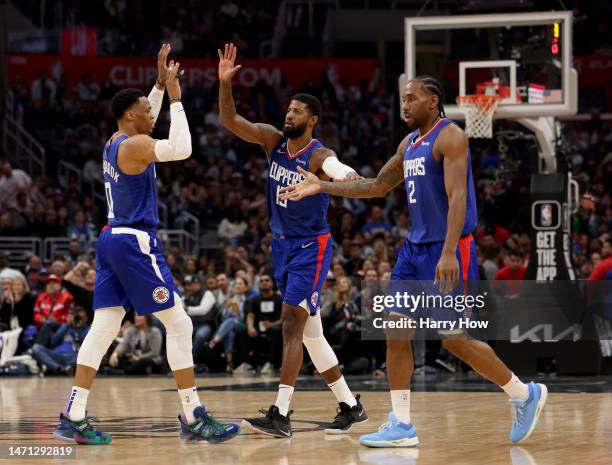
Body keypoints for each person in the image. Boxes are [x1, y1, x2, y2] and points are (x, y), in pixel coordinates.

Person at [281, 75, 547, 446]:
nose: (404, 105)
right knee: (396, 328)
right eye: (402, 99)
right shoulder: (409, 143)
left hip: (448, 248)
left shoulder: (450, 136)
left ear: (433, 101)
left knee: (454, 340)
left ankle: (523, 394)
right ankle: (402, 423)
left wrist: (450, 251)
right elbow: (375, 186)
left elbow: (457, 199)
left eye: (411, 98)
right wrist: (322, 185)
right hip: (413, 251)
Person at [53, 44, 239, 445]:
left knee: (103, 326)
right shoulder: (136, 146)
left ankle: (74, 411)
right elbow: (182, 149)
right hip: (135, 242)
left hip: (110, 238)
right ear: (130, 116)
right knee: (180, 322)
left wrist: (156, 85)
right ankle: (194, 415)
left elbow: (144, 118)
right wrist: (174, 96)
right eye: (146, 110)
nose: (152, 114)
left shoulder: (114, 140)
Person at [218, 43, 367, 437]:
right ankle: (351, 406)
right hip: (281, 246)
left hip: (310, 248)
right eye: (288, 109)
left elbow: (336, 167)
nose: (289, 113)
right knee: (313, 337)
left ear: (313, 119)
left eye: (297, 111)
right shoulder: (272, 142)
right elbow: (229, 118)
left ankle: (280, 414)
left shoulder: (318, 154)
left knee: (291, 327)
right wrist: (224, 84)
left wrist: (345, 175)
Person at [244, 273, 283, 374]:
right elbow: (250, 315)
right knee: (244, 331)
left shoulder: (279, 299)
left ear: (272, 283)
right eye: (261, 281)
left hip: (276, 326)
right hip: (259, 326)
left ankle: (271, 363)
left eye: (267, 280)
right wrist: (250, 327)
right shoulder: (255, 299)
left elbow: (284, 318)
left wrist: (272, 324)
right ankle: (248, 363)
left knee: (276, 332)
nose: (264, 282)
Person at [208, 276, 249, 373]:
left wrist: (238, 312)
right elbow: (223, 319)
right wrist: (226, 307)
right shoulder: (231, 300)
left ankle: (215, 340)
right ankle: (229, 363)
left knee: (231, 321)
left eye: (240, 284)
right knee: (229, 332)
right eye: (236, 284)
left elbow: (242, 319)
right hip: (229, 326)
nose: (237, 286)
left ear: (245, 287)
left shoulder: (248, 300)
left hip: (243, 325)